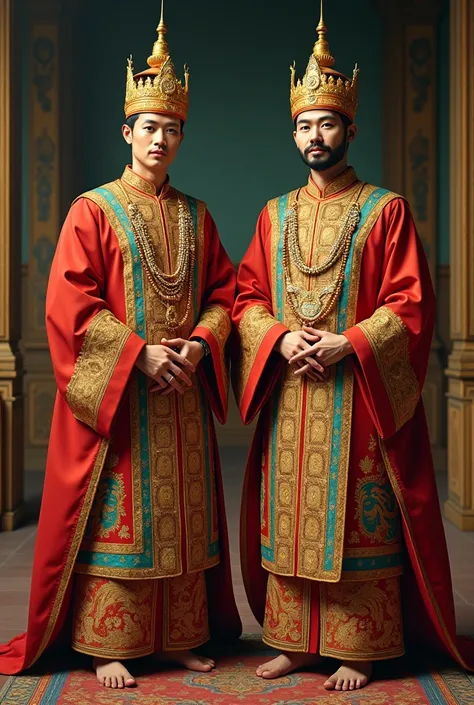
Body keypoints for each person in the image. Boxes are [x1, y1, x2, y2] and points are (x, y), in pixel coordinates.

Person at [233, 5, 474, 693]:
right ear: (295, 131)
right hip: (292, 392)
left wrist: (349, 342)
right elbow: (248, 300)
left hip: (357, 392)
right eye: (306, 123)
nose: (316, 134)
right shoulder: (273, 214)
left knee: (356, 515)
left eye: (327, 122)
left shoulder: (385, 209)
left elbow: (411, 304)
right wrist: (280, 340)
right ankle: (292, 640)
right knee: (291, 515)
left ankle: (358, 645)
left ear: (350, 128)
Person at [0, 4, 241, 688]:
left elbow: (226, 297)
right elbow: (71, 305)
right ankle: (112, 638)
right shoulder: (92, 209)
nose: (159, 139)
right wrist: (141, 354)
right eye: (149, 127)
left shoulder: (197, 216)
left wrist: (197, 345)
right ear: (126, 131)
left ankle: (175, 637)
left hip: (182, 394)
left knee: (182, 515)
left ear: (180, 137)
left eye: (171, 129)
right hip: (124, 399)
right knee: (118, 511)